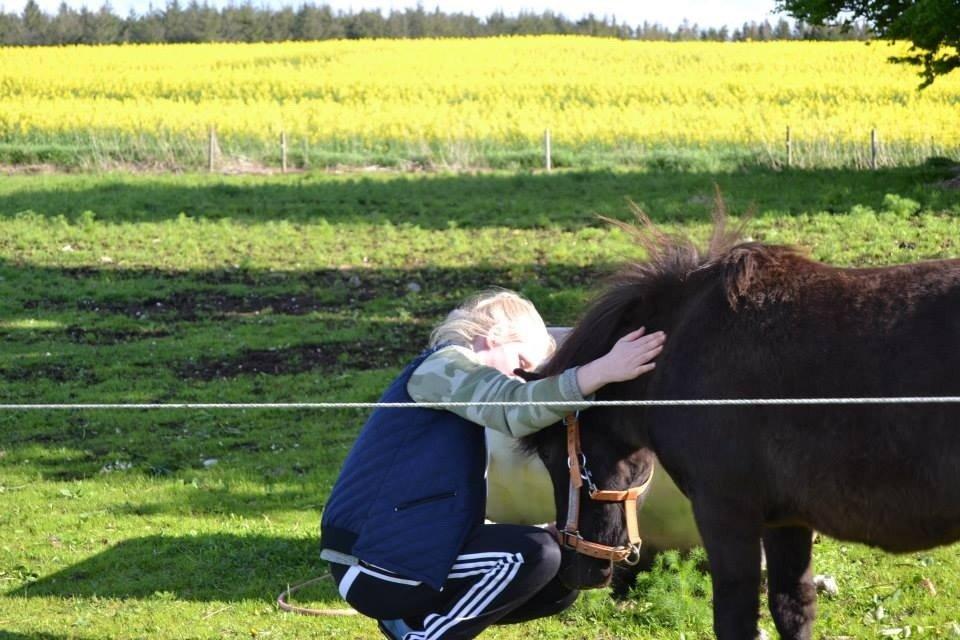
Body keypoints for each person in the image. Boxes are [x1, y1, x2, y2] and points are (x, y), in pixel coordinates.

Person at [320, 288, 666, 639]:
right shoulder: (441, 366)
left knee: (557, 578)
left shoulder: (458, 398)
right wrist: (603, 370)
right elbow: (513, 408)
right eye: (522, 362)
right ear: (494, 337)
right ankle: (421, 634)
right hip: (371, 562)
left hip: (396, 552)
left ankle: (413, 623)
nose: (520, 376)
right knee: (535, 553)